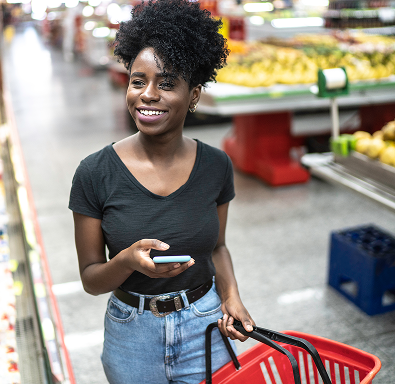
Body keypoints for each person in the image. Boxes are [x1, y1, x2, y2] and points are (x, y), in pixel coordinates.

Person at [68, 0, 255, 382]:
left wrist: (231, 295)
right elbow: (90, 279)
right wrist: (127, 262)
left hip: (205, 326)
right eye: (139, 81)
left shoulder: (216, 165)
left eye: (167, 83)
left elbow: (217, 247)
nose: (148, 94)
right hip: (132, 333)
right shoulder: (94, 172)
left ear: (195, 94)